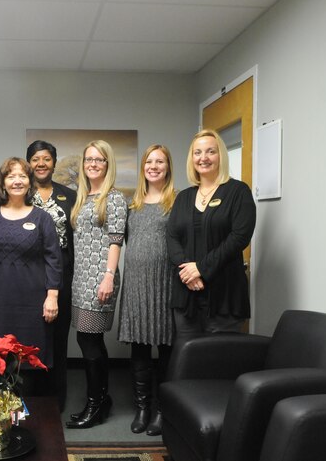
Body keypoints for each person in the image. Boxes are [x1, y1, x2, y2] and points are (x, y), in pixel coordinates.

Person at [0, 157, 62, 386]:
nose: (17, 181)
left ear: (29, 182)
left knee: (27, 358)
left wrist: (52, 296)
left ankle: (27, 412)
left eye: (22, 176)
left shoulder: (42, 218)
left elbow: (53, 260)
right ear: (3, 182)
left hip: (30, 303)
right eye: (11, 176)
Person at [167, 129, 256, 342]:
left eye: (210, 152)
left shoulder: (238, 191)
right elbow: (171, 236)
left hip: (224, 295)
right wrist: (188, 270)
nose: (203, 158)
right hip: (186, 293)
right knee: (186, 362)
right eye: (197, 153)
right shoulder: (184, 197)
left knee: (219, 363)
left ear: (221, 156)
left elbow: (239, 237)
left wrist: (201, 268)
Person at [67, 140, 127, 429]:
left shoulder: (113, 198)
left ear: (108, 164)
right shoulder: (83, 197)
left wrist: (108, 276)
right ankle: (102, 398)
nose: (92, 163)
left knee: (89, 340)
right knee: (87, 339)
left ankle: (95, 404)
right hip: (80, 278)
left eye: (99, 159)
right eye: (88, 158)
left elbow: (116, 240)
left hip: (99, 278)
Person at [118, 144, 175, 436]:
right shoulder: (133, 204)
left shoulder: (178, 201)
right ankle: (143, 407)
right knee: (139, 349)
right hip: (137, 284)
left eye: (160, 161)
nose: (154, 166)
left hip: (165, 284)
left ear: (168, 167)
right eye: (149, 161)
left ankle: (163, 411)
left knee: (166, 350)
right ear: (143, 167)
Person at [26, 139, 76, 411]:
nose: (41, 164)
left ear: (54, 163)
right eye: (35, 159)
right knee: (30, 335)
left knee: (57, 336)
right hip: (28, 274)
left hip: (62, 273)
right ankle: (32, 397)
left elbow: (78, 238)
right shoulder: (19, 192)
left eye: (46, 159)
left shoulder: (69, 195)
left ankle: (56, 400)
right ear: (29, 163)